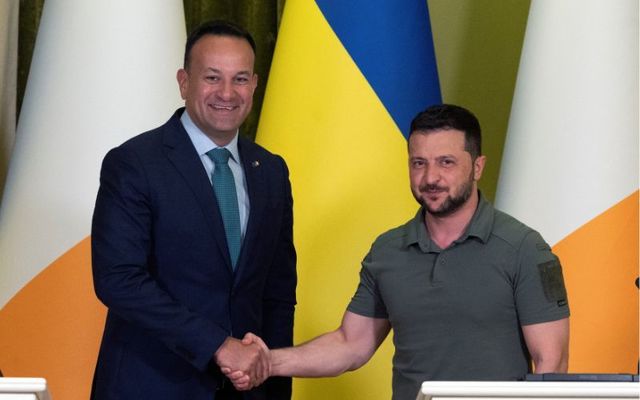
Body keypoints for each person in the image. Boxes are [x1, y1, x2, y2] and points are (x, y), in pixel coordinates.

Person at [226, 104, 570, 400]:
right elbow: (351, 344)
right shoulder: (387, 251)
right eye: (418, 163)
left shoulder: (525, 249)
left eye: (446, 162)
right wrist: (268, 361)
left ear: (478, 166)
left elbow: (551, 364)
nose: (430, 177)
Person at [90, 20, 297, 400]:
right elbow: (118, 279)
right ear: (184, 81)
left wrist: (274, 384)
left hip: (247, 392)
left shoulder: (270, 171)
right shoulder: (134, 163)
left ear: (254, 85)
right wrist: (219, 345)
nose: (227, 93)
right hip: (151, 387)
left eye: (240, 79)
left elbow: (278, 292)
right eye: (212, 77)